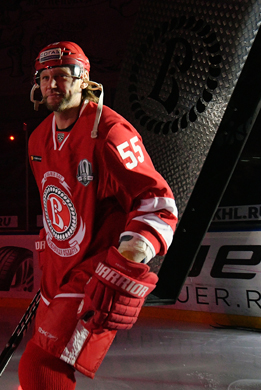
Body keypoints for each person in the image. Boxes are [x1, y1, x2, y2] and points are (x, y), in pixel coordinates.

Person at [18, 41, 178, 389]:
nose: (51, 84)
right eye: (44, 77)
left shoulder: (109, 130)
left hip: (95, 270)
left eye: (61, 75)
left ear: (83, 79)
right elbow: (55, 203)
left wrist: (126, 263)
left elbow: (158, 203)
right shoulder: (38, 139)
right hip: (58, 272)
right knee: (43, 365)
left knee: (42, 366)